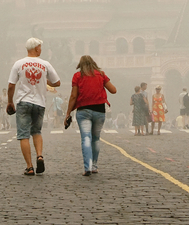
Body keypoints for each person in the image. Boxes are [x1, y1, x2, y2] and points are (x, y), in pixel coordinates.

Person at [7, 37, 61, 176]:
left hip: (23, 102)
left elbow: (11, 85)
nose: (41, 50)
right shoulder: (45, 64)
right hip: (39, 103)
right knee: (36, 132)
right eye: (40, 47)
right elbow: (57, 83)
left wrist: (10, 102)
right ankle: (40, 156)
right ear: (36, 48)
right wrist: (45, 80)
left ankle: (29, 167)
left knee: (23, 135)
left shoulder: (19, 64)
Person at [64, 54, 116, 176]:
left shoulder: (77, 76)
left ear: (80, 65)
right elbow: (113, 90)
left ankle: (87, 166)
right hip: (99, 110)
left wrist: (68, 112)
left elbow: (73, 96)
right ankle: (94, 166)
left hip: (83, 111)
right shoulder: (101, 74)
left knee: (86, 138)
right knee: (96, 139)